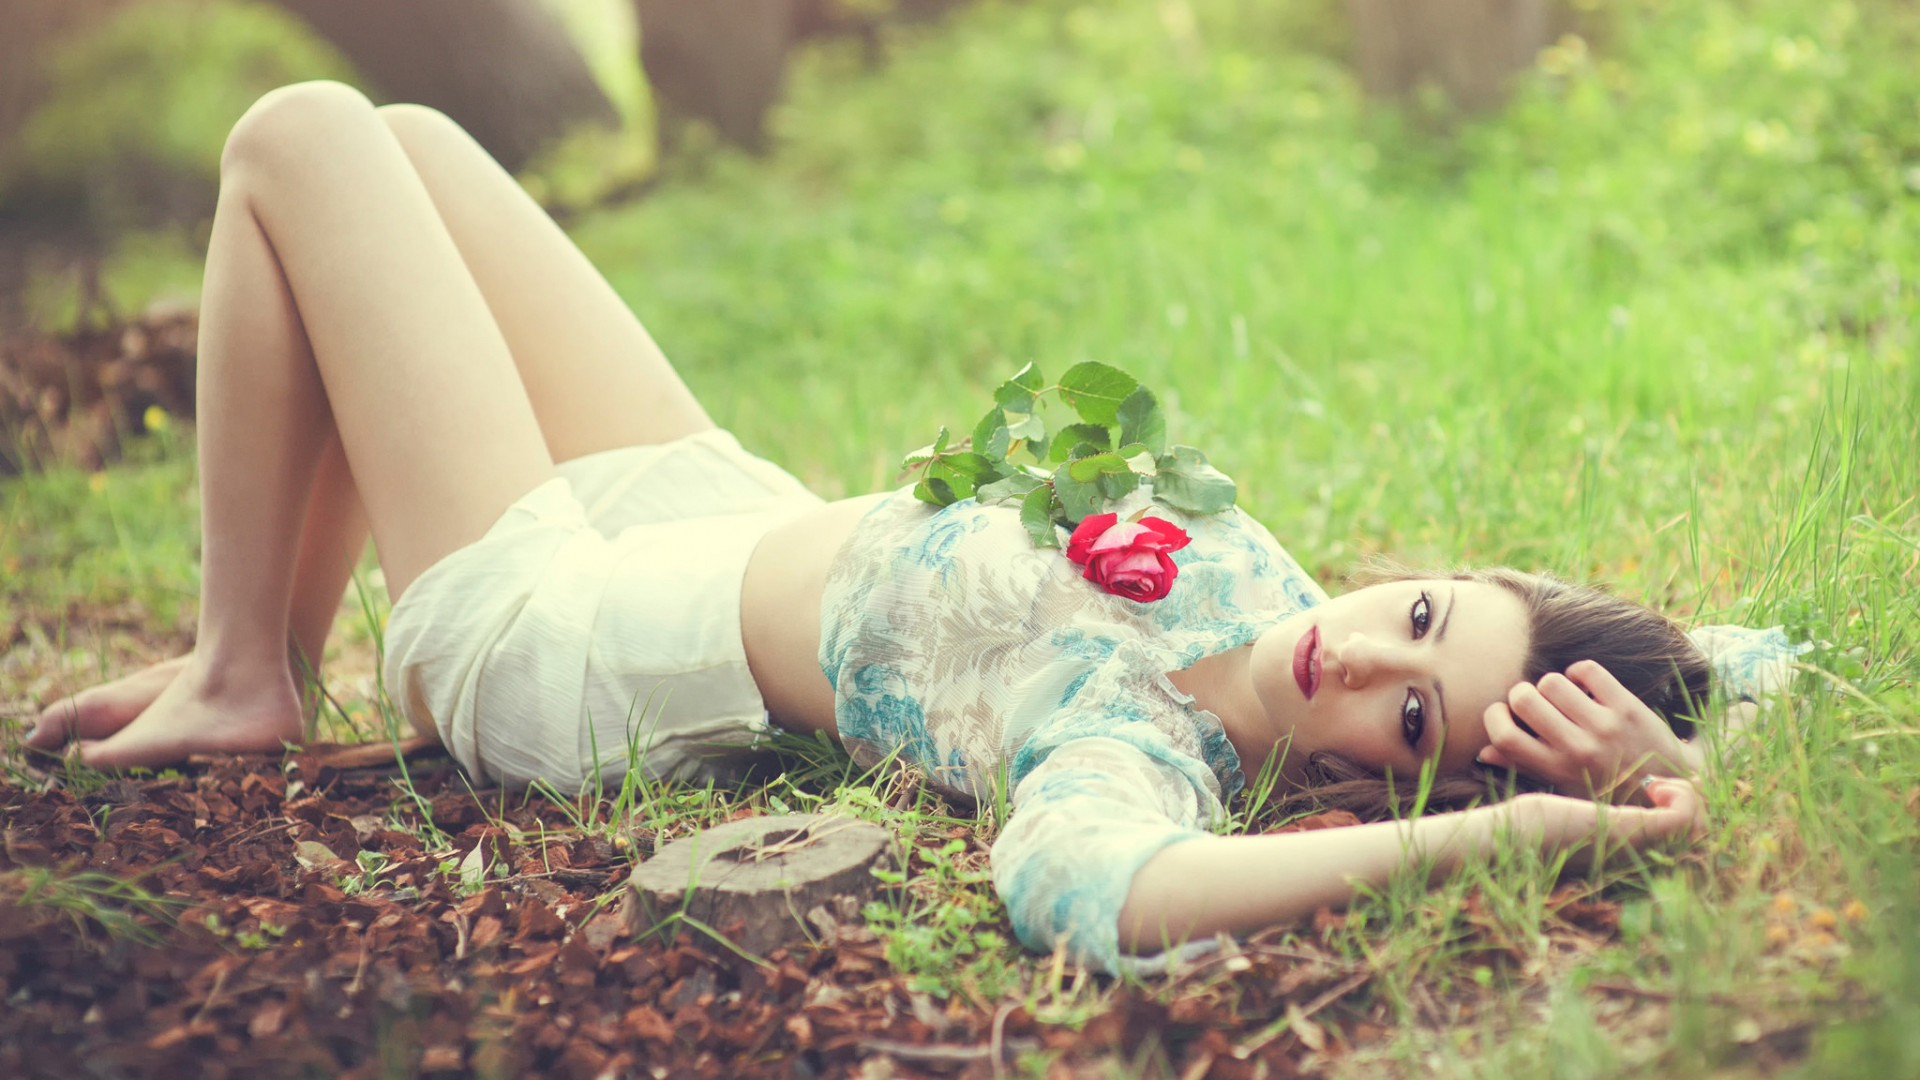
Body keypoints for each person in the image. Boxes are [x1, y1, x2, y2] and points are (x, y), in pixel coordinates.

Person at [24, 82, 1800, 973]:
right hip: (723, 513)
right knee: (408, 138)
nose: (1355, 659)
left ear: (1382, 786)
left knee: (301, 136)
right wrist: (1673, 731)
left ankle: (245, 672)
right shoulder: (1269, 584)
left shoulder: (1132, 748)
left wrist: (1520, 828)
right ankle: (254, 656)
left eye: (1405, 722)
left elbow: (1093, 897)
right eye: (1417, 618)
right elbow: (1770, 659)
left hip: (562, 639)